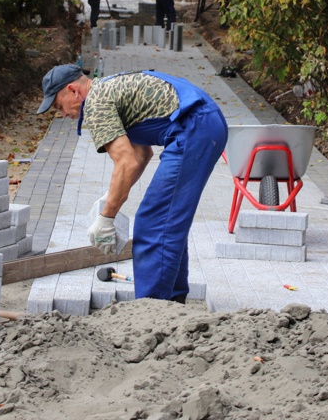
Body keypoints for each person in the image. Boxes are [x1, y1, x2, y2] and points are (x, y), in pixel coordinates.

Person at [36, 63, 228, 303]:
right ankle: (173, 303)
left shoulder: (95, 103)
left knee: (154, 222)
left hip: (194, 128)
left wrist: (106, 218)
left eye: (58, 106)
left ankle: (152, 307)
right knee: (167, 221)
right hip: (204, 122)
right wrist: (110, 197)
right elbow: (140, 156)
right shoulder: (109, 89)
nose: (63, 114)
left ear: (73, 90)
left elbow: (126, 163)